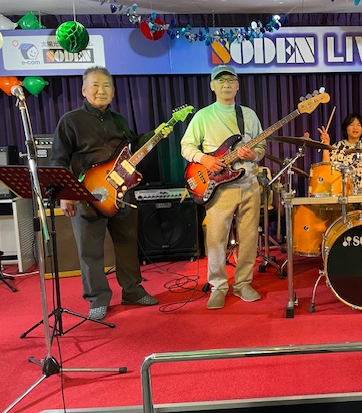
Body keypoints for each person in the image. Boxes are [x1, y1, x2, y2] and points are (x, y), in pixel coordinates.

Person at [50, 66, 163, 321]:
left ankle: (132, 291)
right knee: (90, 251)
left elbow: (132, 151)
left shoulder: (119, 120)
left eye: (107, 86)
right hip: (86, 196)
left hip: (121, 194)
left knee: (127, 244)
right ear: (84, 90)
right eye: (95, 85)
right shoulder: (70, 121)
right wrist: (66, 194)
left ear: (113, 92)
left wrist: (155, 136)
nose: (101, 90)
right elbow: (58, 160)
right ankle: (98, 299)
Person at [181, 65, 266, 309]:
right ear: (212, 86)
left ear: (238, 85)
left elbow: (262, 147)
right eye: (221, 80)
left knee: (249, 237)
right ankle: (218, 286)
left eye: (231, 80)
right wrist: (204, 159)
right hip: (219, 187)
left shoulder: (249, 115)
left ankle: (242, 283)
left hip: (249, 184)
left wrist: (254, 155)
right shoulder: (203, 116)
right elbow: (186, 146)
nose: (226, 84)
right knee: (217, 238)